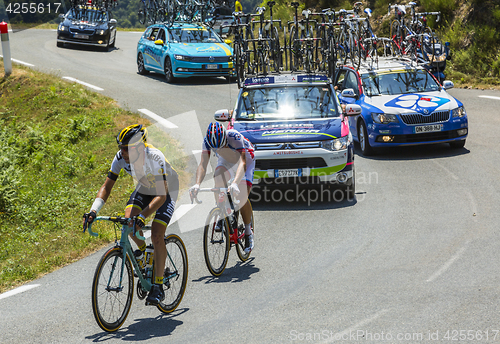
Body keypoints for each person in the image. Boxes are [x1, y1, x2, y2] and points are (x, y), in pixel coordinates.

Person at [83, 124, 179, 305]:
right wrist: (93, 210)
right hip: (144, 188)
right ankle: (143, 252)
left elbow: (160, 195)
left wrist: (143, 216)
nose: (123, 153)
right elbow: (106, 186)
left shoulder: (154, 157)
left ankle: (158, 286)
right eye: (121, 148)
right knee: (128, 222)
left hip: (166, 190)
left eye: (127, 149)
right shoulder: (120, 158)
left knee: (157, 234)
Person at [190, 122, 255, 253]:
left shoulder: (234, 137)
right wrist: (197, 184)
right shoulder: (207, 142)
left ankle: (248, 232)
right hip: (225, 160)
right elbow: (203, 164)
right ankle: (221, 211)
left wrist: (236, 182)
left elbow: (242, 163)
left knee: (242, 196)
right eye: (216, 148)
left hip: (245, 159)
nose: (218, 149)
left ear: (225, 138)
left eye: (222, 146)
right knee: (218, 178)